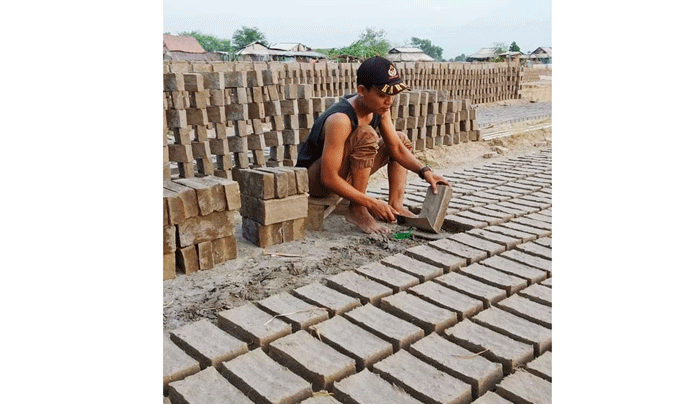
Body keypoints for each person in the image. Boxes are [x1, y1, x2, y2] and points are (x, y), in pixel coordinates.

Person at [296, 56, 450, 234]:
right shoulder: (340, 119)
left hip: (343, 174)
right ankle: (357, 210)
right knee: (366, 135)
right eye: (382, 95)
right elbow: (328, 178)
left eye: (392, 95)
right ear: (362, 90)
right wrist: (370, 203)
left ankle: (396, 205)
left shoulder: (380, 109)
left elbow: (396, 148)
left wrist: (426, 171)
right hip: (317, 183)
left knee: (400, 139)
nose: (389, 101)